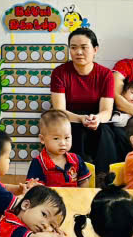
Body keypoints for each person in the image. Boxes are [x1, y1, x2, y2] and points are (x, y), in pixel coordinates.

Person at [50, 27, 121, 178]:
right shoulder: (60, 72)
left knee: (105, 132)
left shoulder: (105, 74)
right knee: (76, 131)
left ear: (95, 50)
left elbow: (107, 110)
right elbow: (59, 110)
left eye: (84, 47)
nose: (78, 52)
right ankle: (79, 176)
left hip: (96, 118)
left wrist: (97, 119)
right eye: (73, 47)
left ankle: (104, 177)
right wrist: (80, 119)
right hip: (70, 118)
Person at [24, 109, 90, 187]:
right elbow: (36, 189)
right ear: (42, 139)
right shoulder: (38, 163)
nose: (63, 143)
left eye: (67, 138)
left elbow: (84, 181)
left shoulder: (76, 159)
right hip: (50, 195)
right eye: (56, 138)